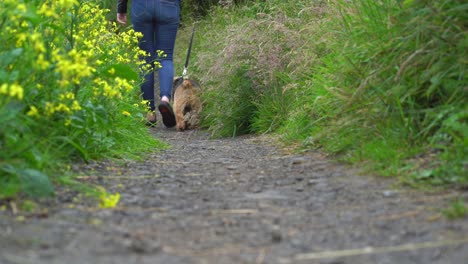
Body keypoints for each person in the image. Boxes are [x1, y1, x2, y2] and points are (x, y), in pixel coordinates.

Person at [117, 0, 179, 128]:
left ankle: (150, 112)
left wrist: (121, 8)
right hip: (168, 6)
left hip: (141, 7)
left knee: (145, 59)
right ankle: (165, 100)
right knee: (165, 57)